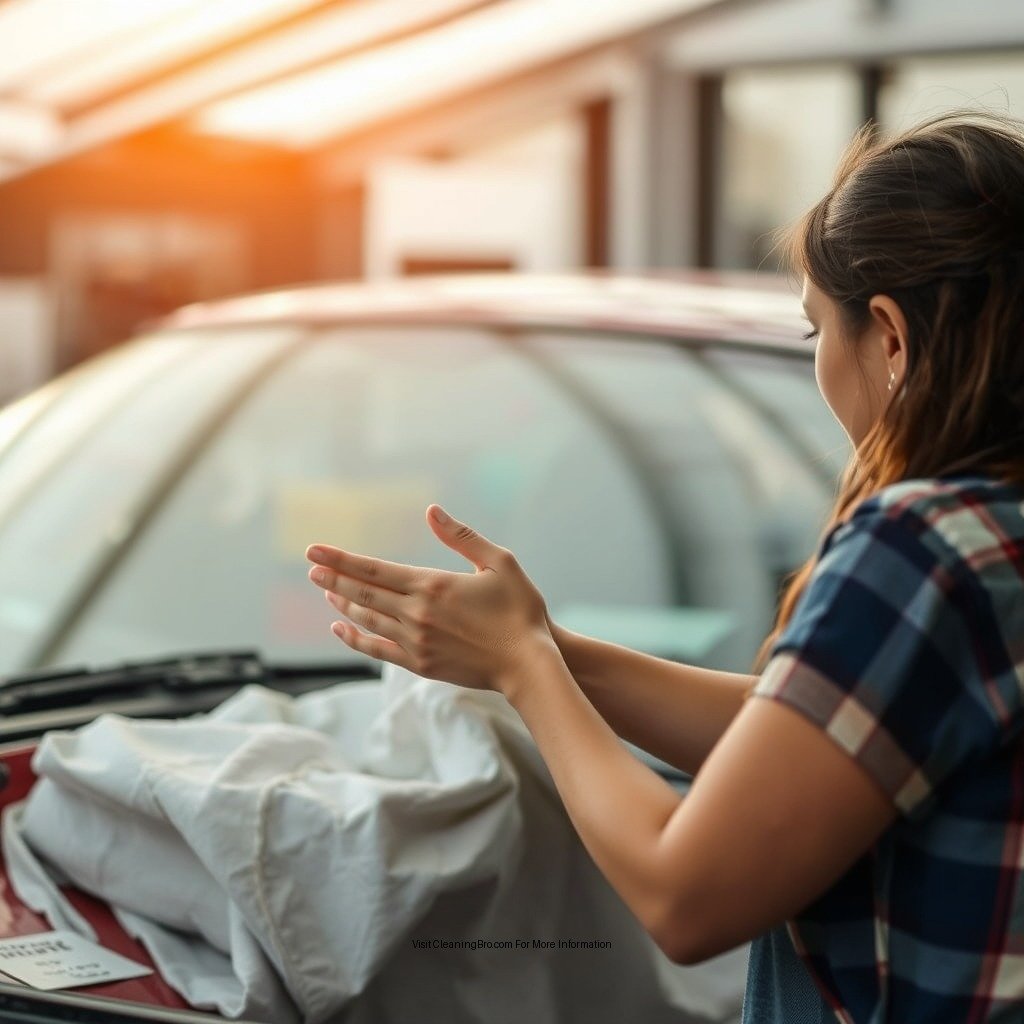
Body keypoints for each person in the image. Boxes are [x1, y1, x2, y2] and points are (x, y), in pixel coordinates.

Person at [305, 109, 1024, 1023]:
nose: (821, 365)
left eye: (815, 333)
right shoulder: (996, 539)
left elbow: (683, 897)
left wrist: (524, 668)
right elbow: (812, 739)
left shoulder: (927, 549)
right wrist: (546, 647)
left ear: (888, 337)